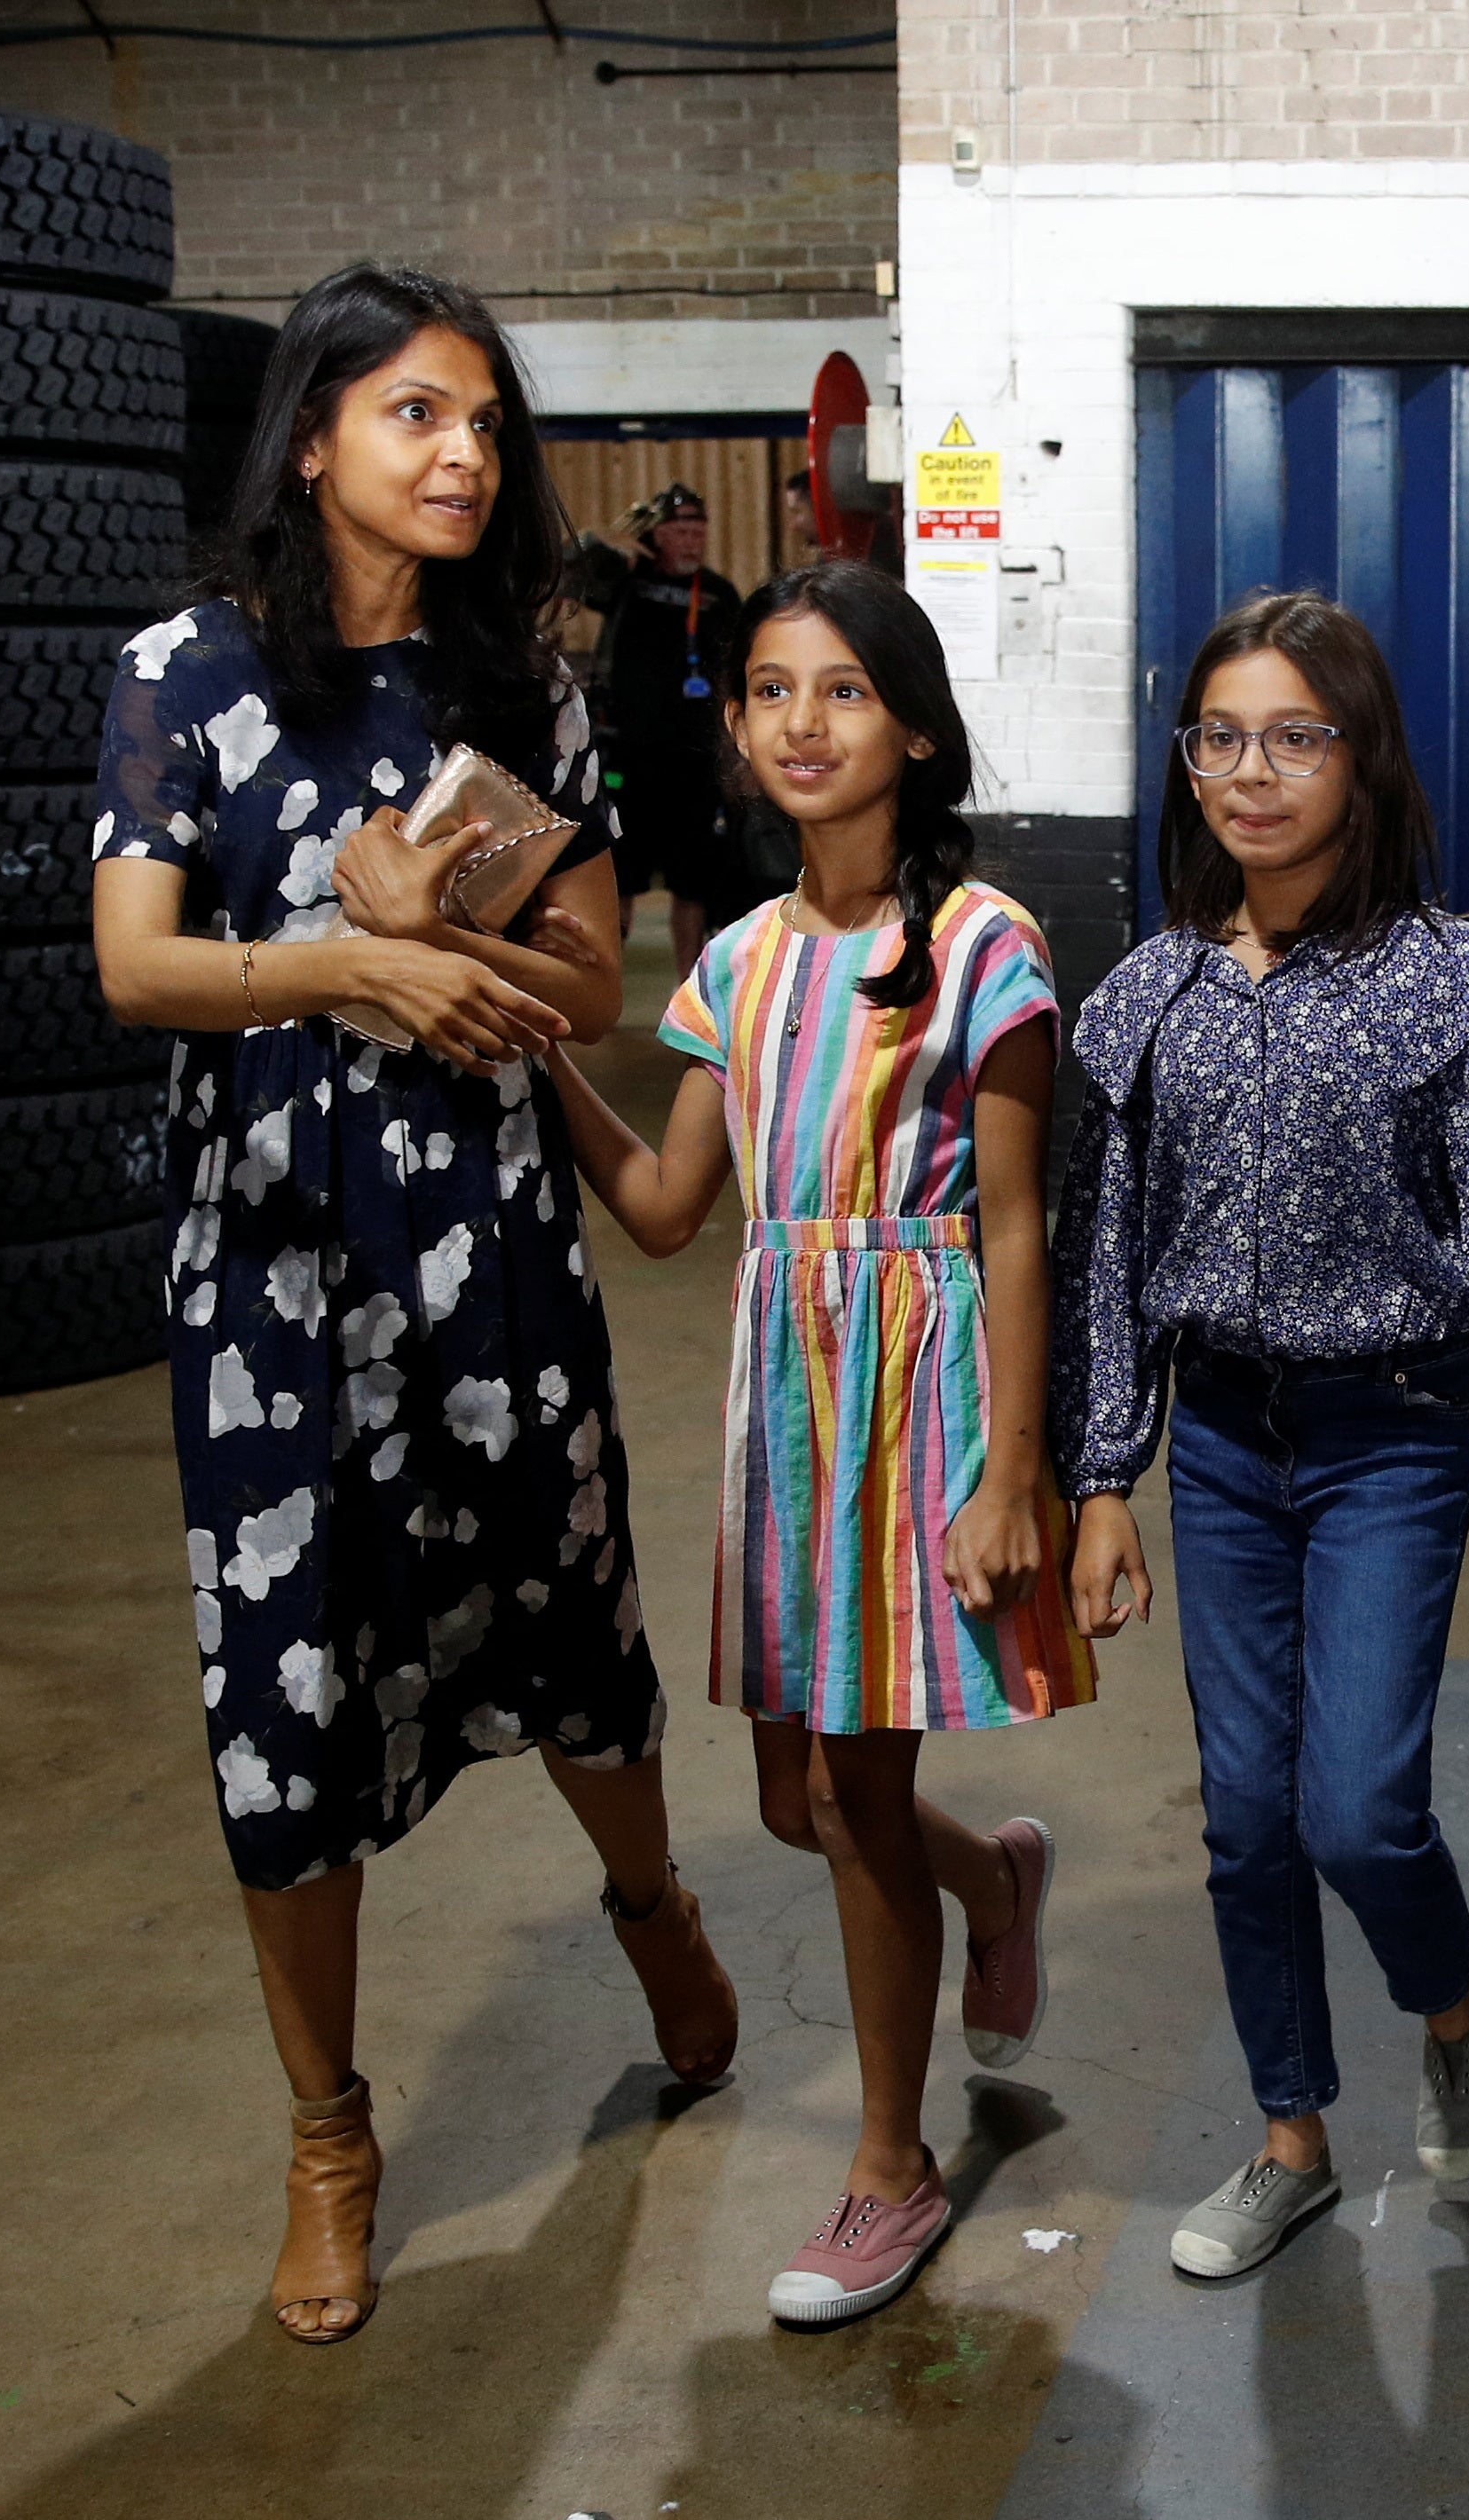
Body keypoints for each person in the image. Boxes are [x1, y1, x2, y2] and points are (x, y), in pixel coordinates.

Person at [85, 263, 740, 2350]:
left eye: (484, 421)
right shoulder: (182, 673)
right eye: (417, 417)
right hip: (271, 1265)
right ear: (314, 440)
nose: (464, 453)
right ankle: (331, 2135)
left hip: (488, 1236)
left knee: (570, 1612)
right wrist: (351, 959)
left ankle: (655, 1906)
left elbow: (582, 984)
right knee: (286, 1694)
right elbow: (137, 963)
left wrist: (468, 948)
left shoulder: (524, 690)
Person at [544, 561, 1094, 2328]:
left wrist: (1015, 1464)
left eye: (842, 689)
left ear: (913, 728)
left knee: (851, 1786)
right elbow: (659, 1207)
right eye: (769, 689)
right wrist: (528, 1053)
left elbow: (1016, 1223)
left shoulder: (984, 945)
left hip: (921, 1387)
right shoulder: (730, 961)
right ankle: (991, 1866)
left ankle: (888, 2165)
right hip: (786, 1392)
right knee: (796, 1795)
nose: (800, 720)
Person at [1051, 589, 1469, 2283]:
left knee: (1355, 1812)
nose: (1251, 771)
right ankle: (1288, 2140)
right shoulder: (1142, 1004)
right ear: (1184, 762)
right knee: (1244, 1820)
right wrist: (1099, 1479)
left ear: (1360, 757)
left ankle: (1456, 1990)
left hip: (1389, 1432)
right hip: (1220, 1444)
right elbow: (1109, 1260)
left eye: (1294, 736)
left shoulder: (1461, 989)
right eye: (1219, 737)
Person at [589, 481, 759, 945]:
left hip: (697, 759)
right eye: (680, 531)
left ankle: (690, 986)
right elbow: (566, 573)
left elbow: (739, 671)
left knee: (694, 882)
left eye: (698, 532)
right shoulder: (625, 584)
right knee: (622, 875)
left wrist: (741, 753)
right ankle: (611, 986)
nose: (692, 541)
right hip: (630, 755)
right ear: (659, 535)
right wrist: (615, 541)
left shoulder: (720, 594)